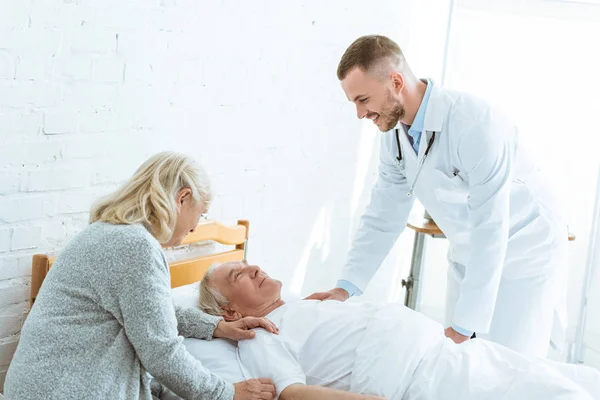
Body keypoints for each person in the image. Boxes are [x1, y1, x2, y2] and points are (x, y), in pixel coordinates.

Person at [306, 35, 568, 358]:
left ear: (396, 81)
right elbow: (383, 217)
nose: (360, 114)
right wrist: (344, 288)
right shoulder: (394, 138)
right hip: (468, 254)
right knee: (460, 364)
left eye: (363, 100)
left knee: (511, 367)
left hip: (524, 249)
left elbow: (491, 227)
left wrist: (464, 326)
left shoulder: (475, 125)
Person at [5, 152, 277, 400]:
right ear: (182, 199)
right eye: (200, 213)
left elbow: (150, 312)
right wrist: (227, 393)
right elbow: (162, 353)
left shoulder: (109, 232)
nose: (195, 226)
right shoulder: (136, 247)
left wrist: (215, 326)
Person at [199, 261, 600, 400]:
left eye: (250, 263)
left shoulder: (305, 304)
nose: (254, 268)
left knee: (561, 377)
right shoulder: (258, 335)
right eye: (239, 274)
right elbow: (292, 393)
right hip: (417, 378)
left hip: (443, 352)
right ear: (231, 309)